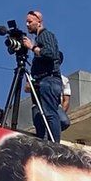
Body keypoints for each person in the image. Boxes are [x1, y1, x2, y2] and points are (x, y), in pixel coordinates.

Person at [24, 9, 69, 142]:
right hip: (44, 81)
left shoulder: (45, 35)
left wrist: (32, 47)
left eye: (30, 21)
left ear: (39, 21)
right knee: (44, 115)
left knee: (50, 114)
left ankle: (54, 144)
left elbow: (51, 53)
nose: (27, 25)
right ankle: (48, 142)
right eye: (26, 22)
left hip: (49, 80)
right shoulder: (40, 38)